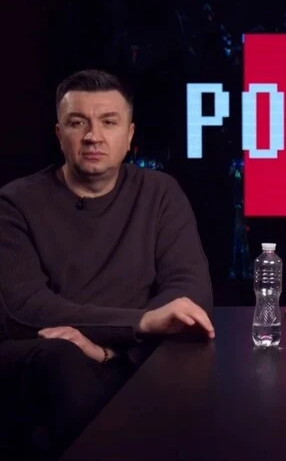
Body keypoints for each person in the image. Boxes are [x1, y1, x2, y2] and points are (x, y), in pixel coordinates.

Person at [0, 69, 215, 460]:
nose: (93, 136)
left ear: (129, 136)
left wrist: (108, 352)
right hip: (47, 361)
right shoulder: (14, 203)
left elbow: (189, 293)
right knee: (61, 358)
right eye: (77, 123)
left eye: (108, 122)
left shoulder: (160, 193)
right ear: (59, 134)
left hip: (129, 359)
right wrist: (142, 323)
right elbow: (24, 308)